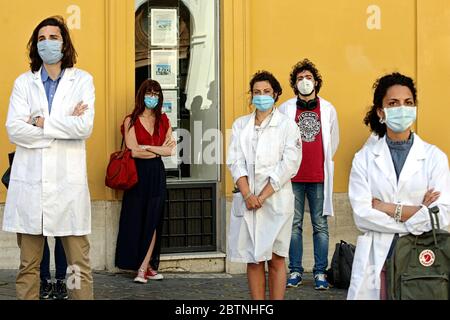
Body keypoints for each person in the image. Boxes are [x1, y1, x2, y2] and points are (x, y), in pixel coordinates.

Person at [3, 16, 95, 300]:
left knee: (77, 266)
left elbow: (85, 127)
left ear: (64, 43)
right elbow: (14, 130)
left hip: (68, 187)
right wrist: (61, 126)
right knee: (28, 266)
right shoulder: (24, 83)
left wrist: (42, 122)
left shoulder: (82, 80)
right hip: (32, 185)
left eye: (53, 37)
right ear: (35, 46)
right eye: (41, 39)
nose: (47, 43)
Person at [347, 72, 450, 299]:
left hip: (421, 259)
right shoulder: (364, 158)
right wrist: (417, 214)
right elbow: (362, 215)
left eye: (408, 102)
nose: (402, 108)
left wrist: (387, 207)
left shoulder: (434, 157)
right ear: (381, 112)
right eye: (393, 103)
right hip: (379, 257)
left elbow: (442, 215)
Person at [227, 70, 302, 300]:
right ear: (251, 96)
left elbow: (289, 164)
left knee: (277, 257)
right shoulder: (241, 125)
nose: (261, 96)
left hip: (276, 200)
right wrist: (248, 194)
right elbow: (235, 160)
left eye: (266, 92)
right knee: (254, 257)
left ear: (276, 94)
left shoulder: (287, 126)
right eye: (257, 92)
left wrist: (263, 195)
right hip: (249, 201)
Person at [279, 59, 339, 290]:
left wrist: (320, 161)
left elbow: (333, 140)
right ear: (295, 84)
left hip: (318, 176)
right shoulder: (286, 108)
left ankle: (320, 272)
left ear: (316, 82)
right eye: (300, 78)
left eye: (309, 78)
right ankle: (295, 270)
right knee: (293, 225)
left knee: (320, 225)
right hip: (293, 177)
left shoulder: (328, 109)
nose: (305, 82)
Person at [115, 79, 176, 283]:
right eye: (149, 93)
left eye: (156, 94)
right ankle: (144, 264)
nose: (152, 97)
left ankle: (143, 269)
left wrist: (148, 148)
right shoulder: (130, 120)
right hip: (136, 174)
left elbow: (169, 150)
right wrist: (157, 150)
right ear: (141, 96)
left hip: (156, 174)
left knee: (153, 220)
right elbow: (133, 152)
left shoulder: (163, 120)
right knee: (136, 219)